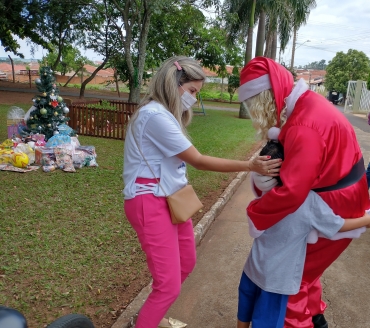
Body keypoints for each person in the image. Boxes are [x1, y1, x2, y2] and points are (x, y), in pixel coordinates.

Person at [122, 56, 281, 328]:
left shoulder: (164, 115)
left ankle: (152, 313)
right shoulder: (154, 115)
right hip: (149, 201)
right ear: (174, 84)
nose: (194, 98)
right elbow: (198, 159)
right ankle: (148, 319)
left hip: (171, 199)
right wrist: (249, 165)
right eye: (192, 91)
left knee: (186, 263)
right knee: (168, 286)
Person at [238, 57, 370, 328]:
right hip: (342, 196)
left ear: (263, 98)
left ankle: (301, 321)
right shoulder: (305, 105)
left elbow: (292, 192)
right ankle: (315, 317)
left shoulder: (302, 124)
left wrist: (255, 213)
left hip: (336, 202)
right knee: (307, 271)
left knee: (292, 282)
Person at [237, 140, 370, 328]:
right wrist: (366, 220)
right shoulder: (308, 202)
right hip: (278, 281)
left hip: (252, 268)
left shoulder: (265, 196)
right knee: (267, 320)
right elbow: (337, 226)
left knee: (245, 308)